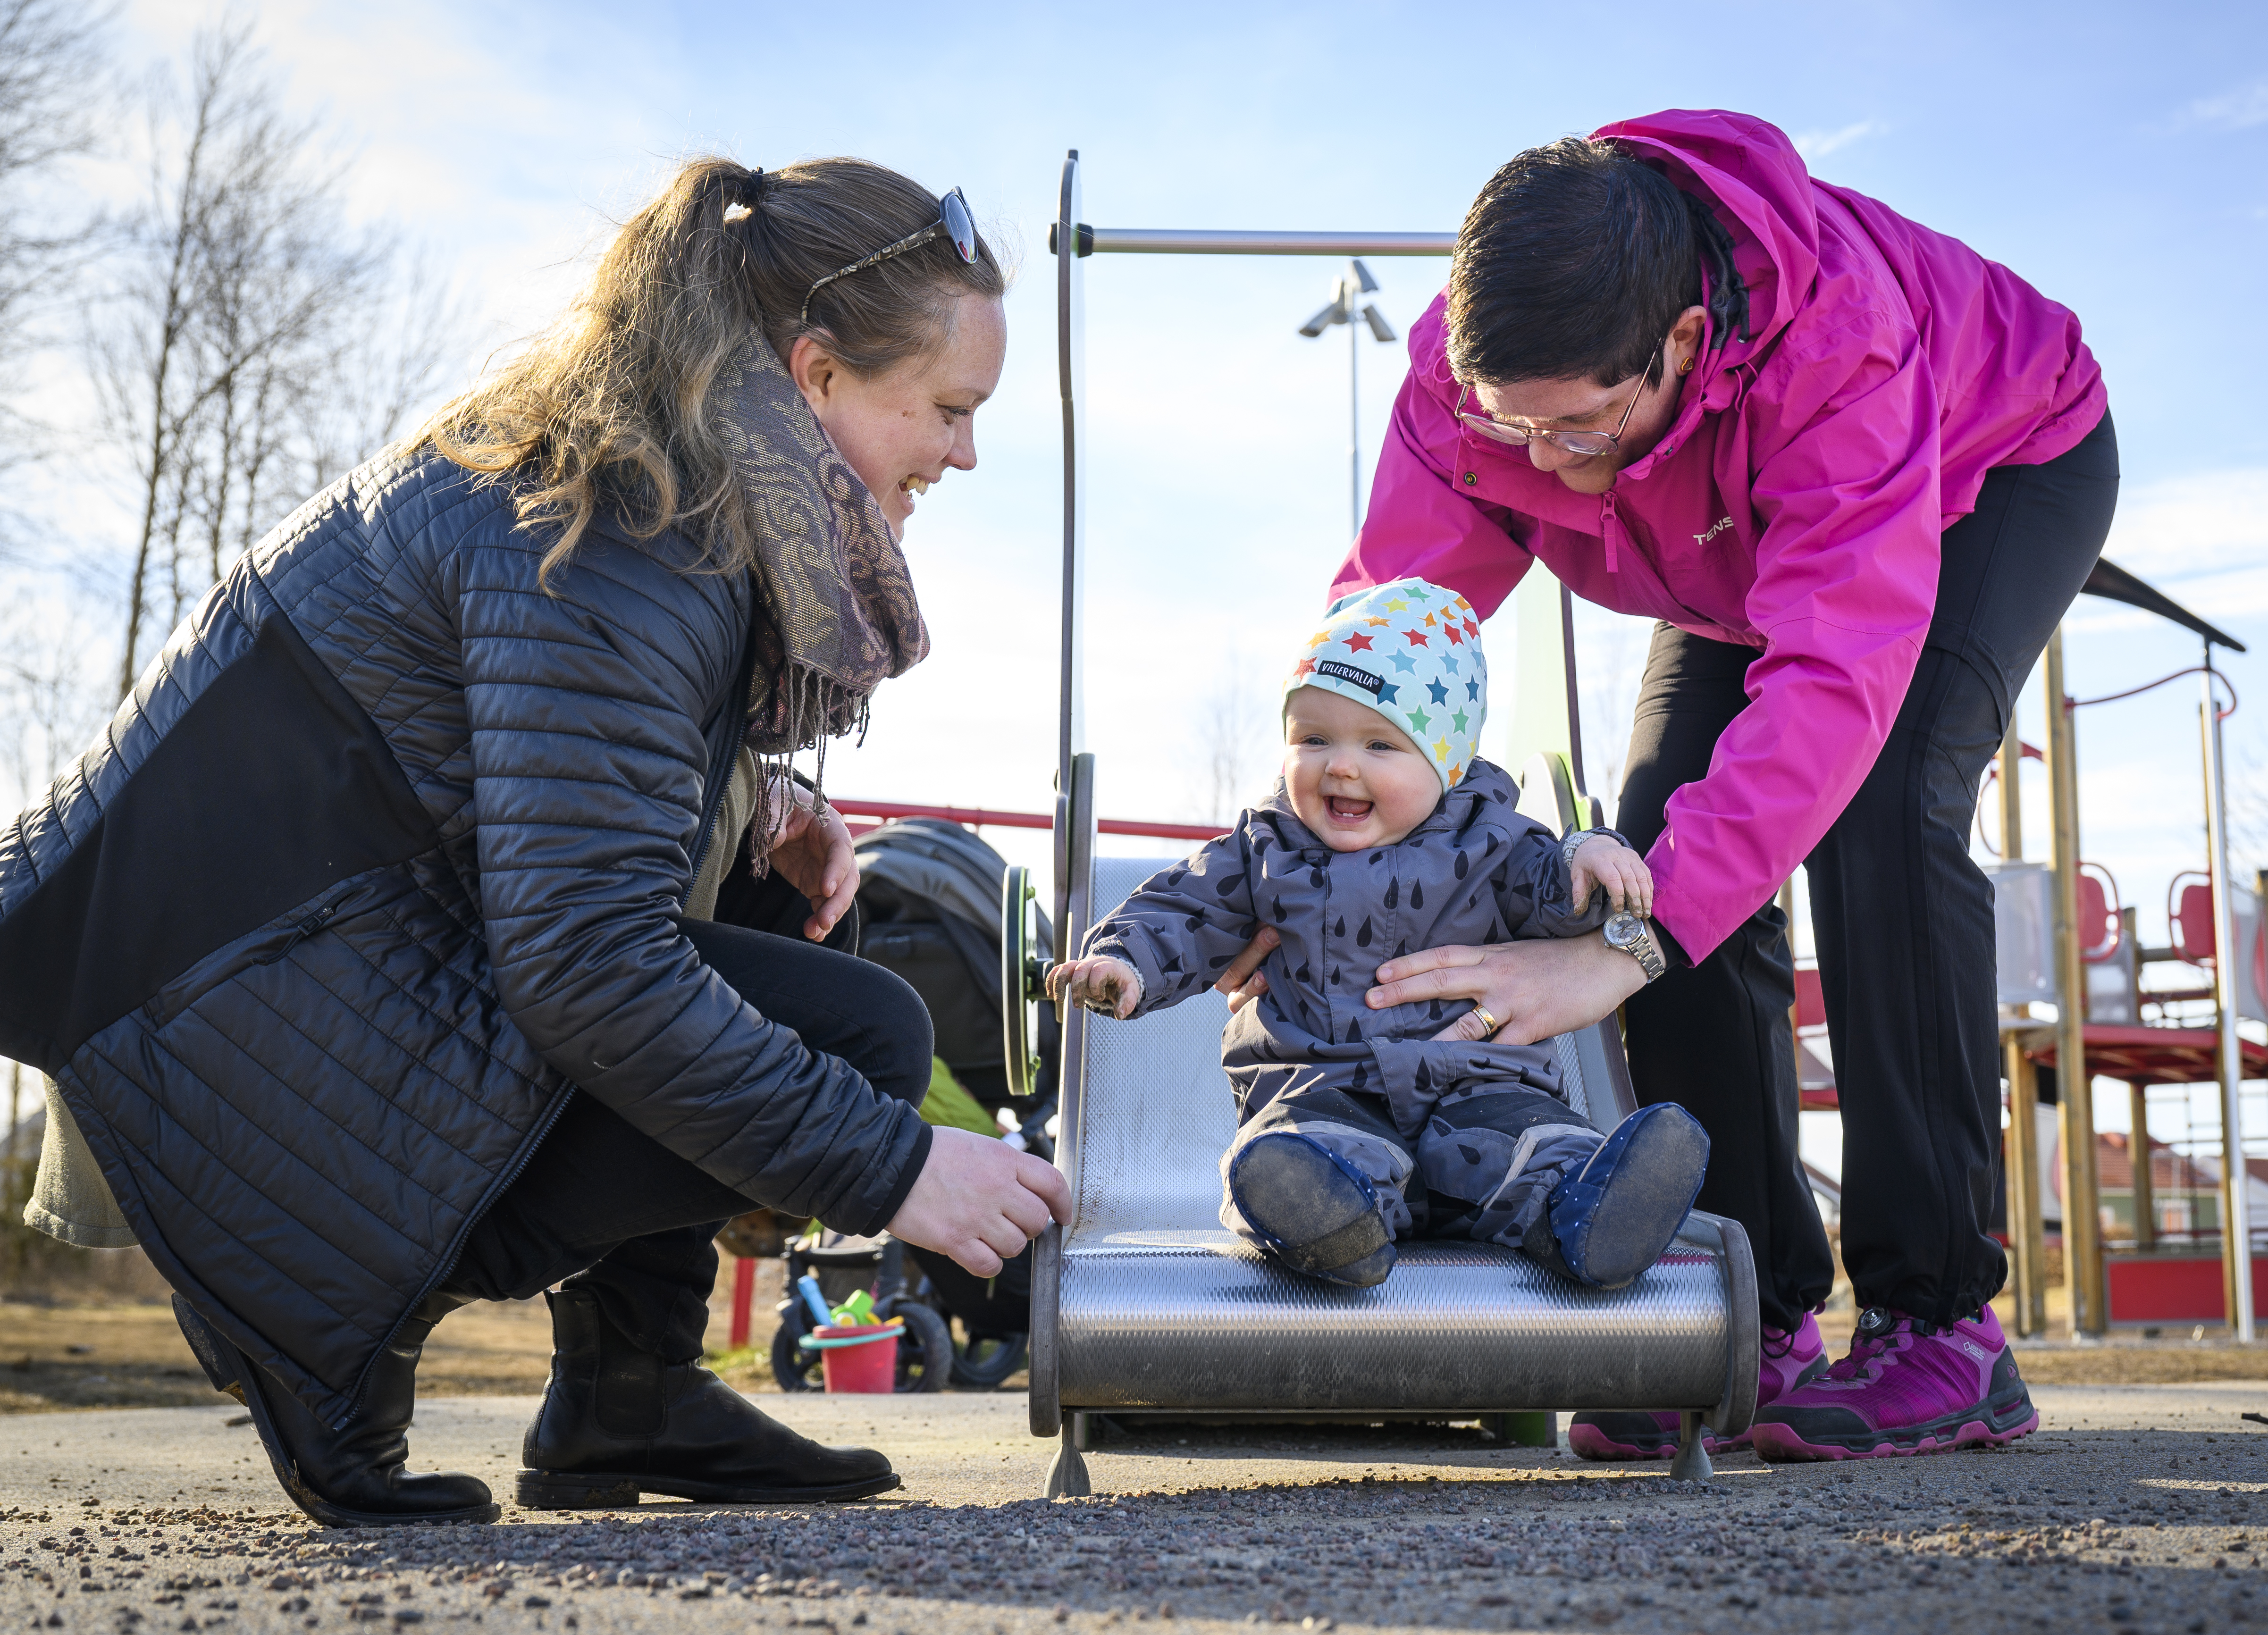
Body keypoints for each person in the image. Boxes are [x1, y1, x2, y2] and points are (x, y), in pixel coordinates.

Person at [0, 155, 1071, 1527]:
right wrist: (899, 1163)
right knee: (863, 1047)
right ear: (814, 379)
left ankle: (633, 1393)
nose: (962, 454)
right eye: (948, 410)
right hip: (219, 1019)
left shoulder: (662, 476)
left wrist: (753, 803)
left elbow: (525, 783)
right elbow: (586, 962)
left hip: (301, 970)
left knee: (773, 892)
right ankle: (339, 1307)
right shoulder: (633, 528)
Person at [1324, 111, 2117, 1461]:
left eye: (1581, 428)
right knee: (1647, 846)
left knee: (1876, 815)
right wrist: (1332, 827)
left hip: (1990, 469)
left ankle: (1942, 1324)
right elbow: (1398, 636)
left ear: (1683, 343)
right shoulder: (1471, 385)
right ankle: (1746, 1301)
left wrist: (1627, 950)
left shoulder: (1839, 348)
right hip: (1731, 536)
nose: (1551, 467)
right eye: (1518, 430)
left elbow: (1833, 685)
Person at [1045, 579, 1709, 1292]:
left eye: (1380, 744)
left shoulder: (1495, 838)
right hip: (1323, 1080)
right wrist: (1124, 962)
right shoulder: (1265, 845)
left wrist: (1589, 856)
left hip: (1479, 1080)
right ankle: (1329, 1223)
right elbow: (1184, 908)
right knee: (1303, 1149)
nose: (1340, 764)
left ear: (1448, 763)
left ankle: (1594, 1209)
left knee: (1533, 1146)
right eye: (1314, 738)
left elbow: (1553, 891)